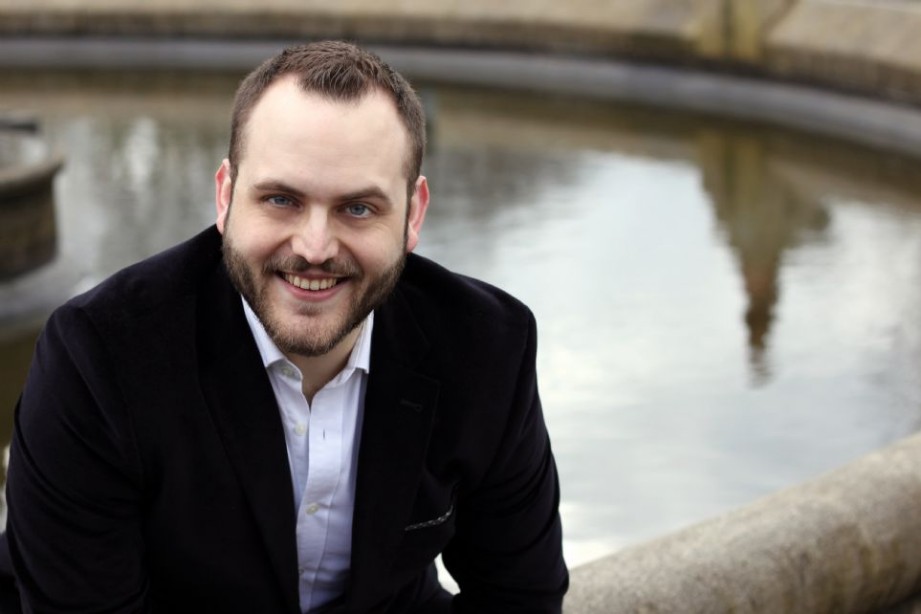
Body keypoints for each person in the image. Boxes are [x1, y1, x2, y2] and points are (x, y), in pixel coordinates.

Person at [6, 41, 568, 613]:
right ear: (225, 197)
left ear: (413, 214)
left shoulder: (487, 347)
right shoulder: (99, 357)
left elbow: (521, 596)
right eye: (281, 199)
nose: (315, 248)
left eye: (358, 208)